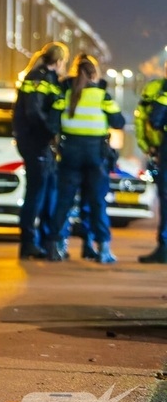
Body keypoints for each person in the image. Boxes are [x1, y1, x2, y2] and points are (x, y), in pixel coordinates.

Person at [46, 54, 125, 263]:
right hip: (95, 155)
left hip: (70, 153)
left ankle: (55, 245)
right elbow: (119, 121)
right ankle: (103, 250)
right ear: (93, 74)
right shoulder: (102, 96)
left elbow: (52, 123)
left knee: (63, 201)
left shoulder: (66, 94)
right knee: (97, 202)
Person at [12, 42, 68, 259]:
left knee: (46, 192)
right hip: (36, 141)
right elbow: (34, 111)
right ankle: (27, 242)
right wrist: (49, 131)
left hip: (44, 143)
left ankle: (43, 243)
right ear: (59, 61)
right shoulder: (38, 78)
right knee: (36, 193)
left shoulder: (50, 79)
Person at [137, 63, 167, 263]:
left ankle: (164, 248)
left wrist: (149, 145)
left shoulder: (162, 91)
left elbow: (155, 119)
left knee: (165, 197)